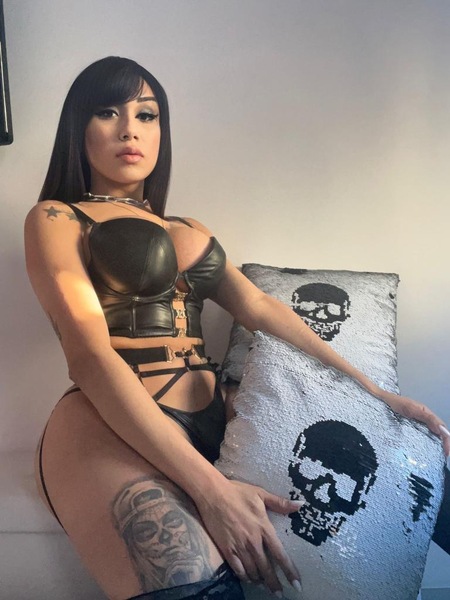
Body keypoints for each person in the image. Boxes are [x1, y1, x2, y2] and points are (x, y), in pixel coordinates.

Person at [25, 56, 450, 600]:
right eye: (108, 112)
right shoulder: (57, 218)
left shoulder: (189, 228)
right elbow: (88, 355)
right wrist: (213, 491)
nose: (130, 129)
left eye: (147, 115)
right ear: (77, 127)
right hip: (112, 421)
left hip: (212, 417)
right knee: (193, 585)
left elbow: (261, 309)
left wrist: (374, 392)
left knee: (419, 469)